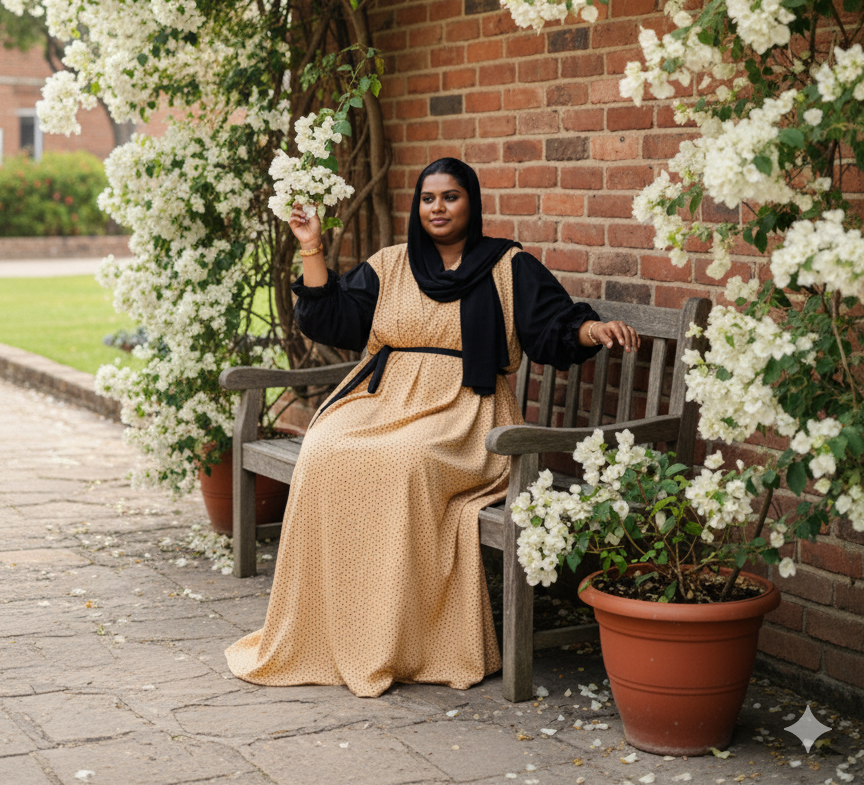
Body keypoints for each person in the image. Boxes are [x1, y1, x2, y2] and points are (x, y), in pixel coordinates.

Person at [225, 157, 640, 698]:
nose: (437, 208)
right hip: (382, 399)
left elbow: (551, 326)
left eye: (450, 197)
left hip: (464, 412)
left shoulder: (508, 266)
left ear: (471, 203)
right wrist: (312, 247)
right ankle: (338, 623)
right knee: (324, 446)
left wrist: (591, 330)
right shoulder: (391, 263)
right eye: (428, 198)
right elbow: (332, 318)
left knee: (405, 462)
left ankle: (399, 636)